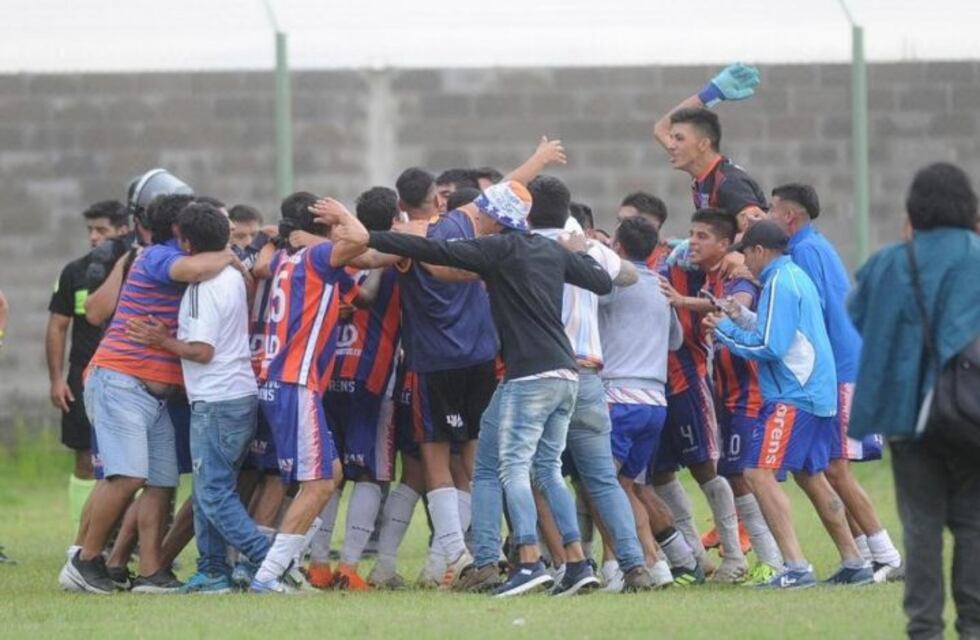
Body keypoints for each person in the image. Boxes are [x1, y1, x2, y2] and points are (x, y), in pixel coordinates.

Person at [322, 168, 613, 598]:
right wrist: (581, 248)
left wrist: (369, 235)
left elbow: (424, 246)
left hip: (527, 375)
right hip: (566, 374)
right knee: (542, 468)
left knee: (511, 468)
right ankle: (576, 562)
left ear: (499, 218)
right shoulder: (551, 251)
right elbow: (602, 281)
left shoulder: (496, 250)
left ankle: (529, 563)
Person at [60, 193, 240, 595]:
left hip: (153, 394)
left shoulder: (170, 254)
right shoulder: (159, 256)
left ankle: (152, 571)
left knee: (160, 482)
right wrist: (232, 254)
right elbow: (196, 269)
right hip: (120, 380)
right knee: (126, 477)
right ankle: (85, 560)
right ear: (179, 229)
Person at [848, 162, 980, 640]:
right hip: (973, 414)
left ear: (914, 209)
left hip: (909, 415)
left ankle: (923, 629)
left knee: (921, 527)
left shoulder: (889, 262)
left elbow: (858, 317)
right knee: (973, 525)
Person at [706, 220, 872, 589]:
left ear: (760, 251)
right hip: (817, 393)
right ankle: (854, 560)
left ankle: (795, 567)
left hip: (794, 394)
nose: (744, 260)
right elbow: (781, 331)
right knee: (812, 477)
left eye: (746, 252)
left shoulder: (780, 283)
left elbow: (770, 347)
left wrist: (723, 330)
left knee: (756, 474)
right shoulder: (792, 276)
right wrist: (738, 315)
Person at [125, 203, 270, 594]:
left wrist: (162, 341)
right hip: (232, 394)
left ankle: (270, 558)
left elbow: (202, 351)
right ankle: (212, 570)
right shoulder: (232, 274)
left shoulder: (203, 288)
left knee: (212, 492)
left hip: (217, 399)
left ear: (185, 242)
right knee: (211, 487)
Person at [768, 183, 903, 582]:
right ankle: (862, 556)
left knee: (836, 468)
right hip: (843, 368)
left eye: (773, 211)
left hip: (842, 370)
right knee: (827, 467)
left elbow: (813, 311)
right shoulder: (814, 245)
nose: (769, 217)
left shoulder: (805, 252)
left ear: (789, 217)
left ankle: (887, 555)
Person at [247, 191, 365, 593]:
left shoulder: (284, 259)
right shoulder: (317, 256)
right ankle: (268, 575)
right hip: (295, 382)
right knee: (316, 483)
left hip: (284, 381)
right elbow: (362, 241)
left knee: (328, 474)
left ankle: (286, 565)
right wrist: (344, 215)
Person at [596, 216, 703, 588]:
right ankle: (661, 566)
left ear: (619, 248)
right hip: (655, 401)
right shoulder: (662, 286)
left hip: (618, 397)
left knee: (604, 486)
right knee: (628, 486)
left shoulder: (611, 285)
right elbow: (674, 342)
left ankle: (623, 569)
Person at [685, 208, 783, 584]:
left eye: (701, 236)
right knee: (736, 473)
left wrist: (684, 302)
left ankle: (773, 559)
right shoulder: (717, 272)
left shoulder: (739, 279)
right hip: (727, 393)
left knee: (749, 475)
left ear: (727, 245)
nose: (693, 242)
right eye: (691, 234)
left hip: (749, 394)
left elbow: (739, 304)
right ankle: (753, 557)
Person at [315, 186, 402, 591]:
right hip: (373, 377)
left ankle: (317, 564)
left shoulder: (337, 253)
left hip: (330, 373)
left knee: (329, 472)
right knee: (371, 473)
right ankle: (349, 568)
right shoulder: (393, 256)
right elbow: (369, 297)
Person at [46, 200, 130, 529]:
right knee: (83, 457)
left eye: (102, 230)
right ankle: (83, 537)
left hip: (126, 375)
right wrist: (56, 379)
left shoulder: (137, 267)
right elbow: (57, 326)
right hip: (82, 376)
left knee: (132, 460)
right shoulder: (75, 272)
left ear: (122, 230)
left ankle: (128, 537)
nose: (94, 237)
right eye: (90, 230)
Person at [652, 63, 768, 229]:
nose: (670, 146)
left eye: (679, 139)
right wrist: (712, 94)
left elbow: (759, 232)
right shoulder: (703, 174)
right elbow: (661, 129)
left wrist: (716, 250)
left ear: (703, 144)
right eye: (672, 138)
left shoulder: (730, 183)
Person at [617, 192, 672, 268]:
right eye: (619, 221)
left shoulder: (668, 266)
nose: (619, 228)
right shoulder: (607, 260)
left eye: (628, 222)